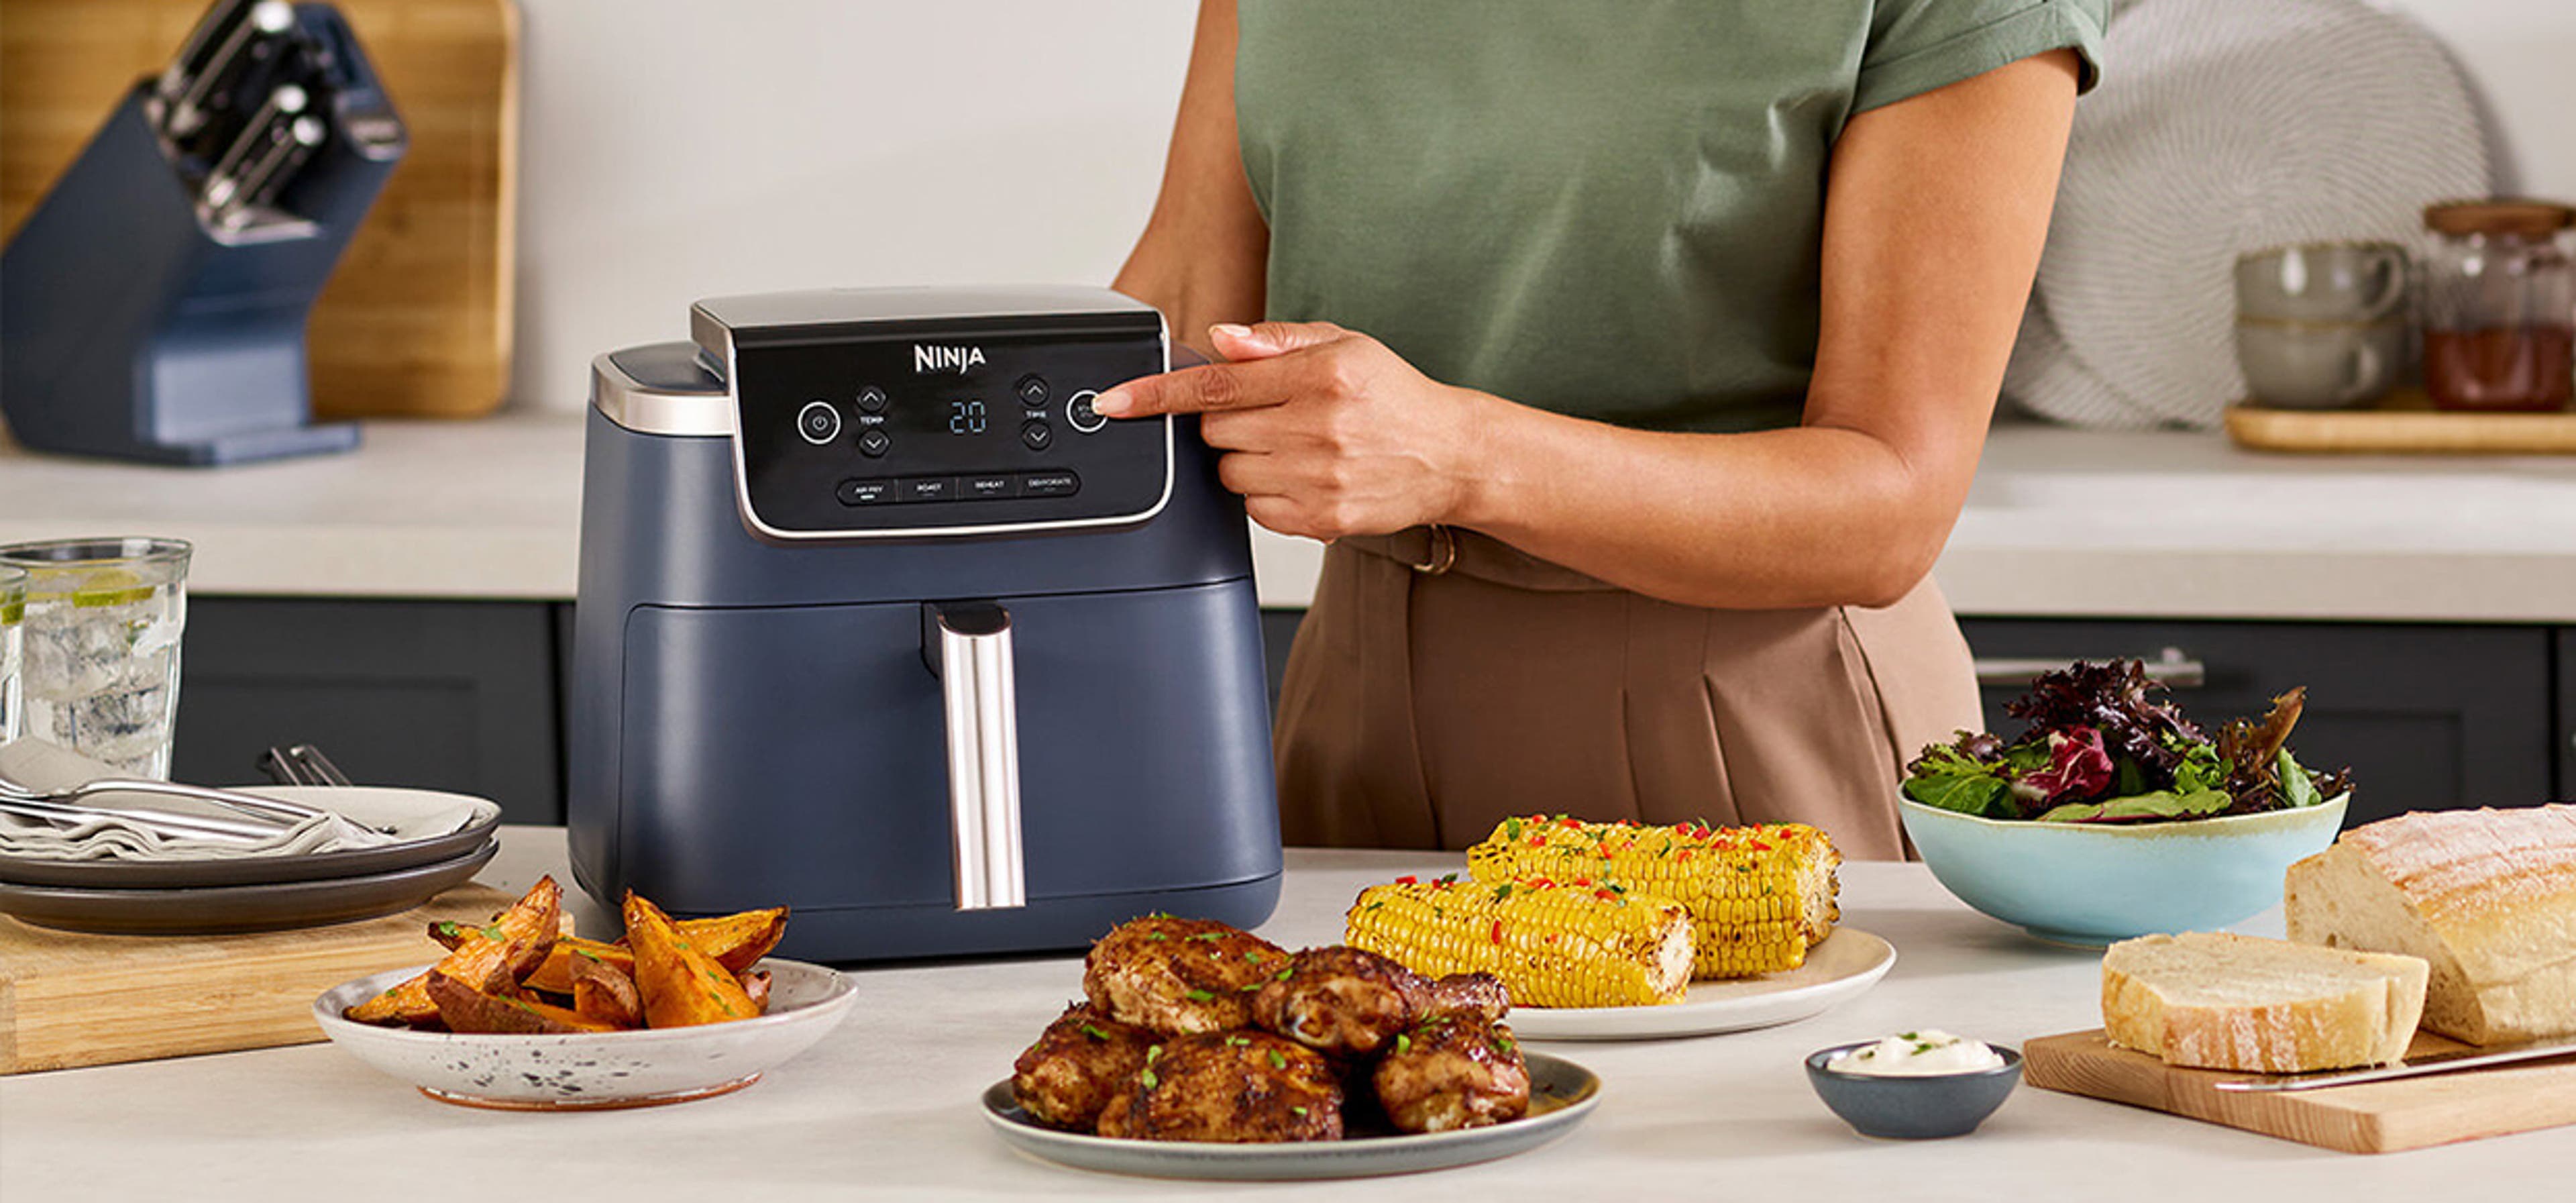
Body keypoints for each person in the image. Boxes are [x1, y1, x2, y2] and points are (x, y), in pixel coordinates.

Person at [1095, 1, 2107, 858]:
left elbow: (1892, 502)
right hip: (1349, 697)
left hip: (1740, 727)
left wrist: (1461, 456)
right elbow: (1186, 298)